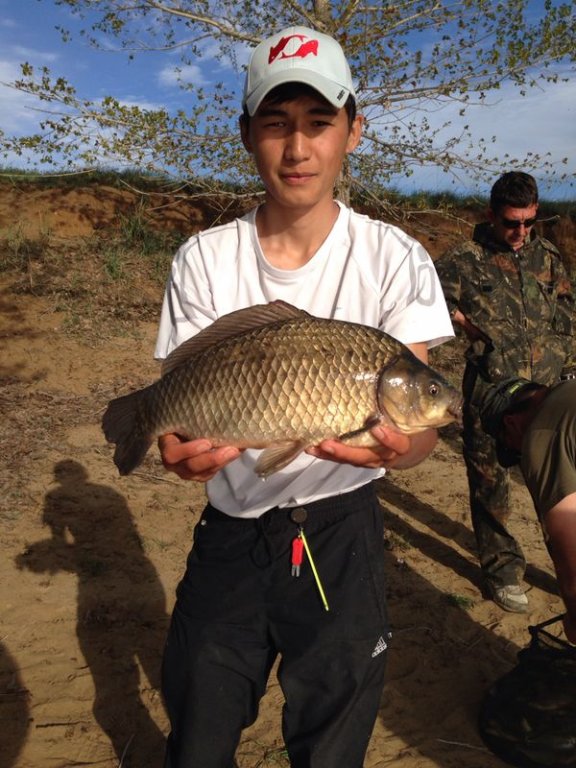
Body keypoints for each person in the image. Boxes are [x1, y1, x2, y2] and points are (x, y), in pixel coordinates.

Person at [154, 25, 454, 768]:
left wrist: (400, 449)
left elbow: (418, 425)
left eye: (319, 123)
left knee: (331, 744)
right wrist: (176, 448)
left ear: (354, 131)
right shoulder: (203, 258)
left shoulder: (395, 257)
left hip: (343, 533)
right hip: (230, 531)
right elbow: (181, 403)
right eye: (276, 124)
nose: (297, 148)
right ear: (246, 134)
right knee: (197, 731)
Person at [435, 171, 576, 613]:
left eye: (529, 222)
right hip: (491, 395)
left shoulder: (547, 256)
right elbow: (428, 305)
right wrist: (464, 324)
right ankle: (503, 572)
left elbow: (566, 309)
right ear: (491, 214)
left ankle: (567, 569)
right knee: (490, 487)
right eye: (512, 223)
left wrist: (567, 365)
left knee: (559, 490)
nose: (521, 231)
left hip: (546, 396)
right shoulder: (464, 259)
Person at [479, 377, 576, 643]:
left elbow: (570, 547)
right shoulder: (568, 391)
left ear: (510, 423)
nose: (519, 455)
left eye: (510, 446)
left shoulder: (541, 434)